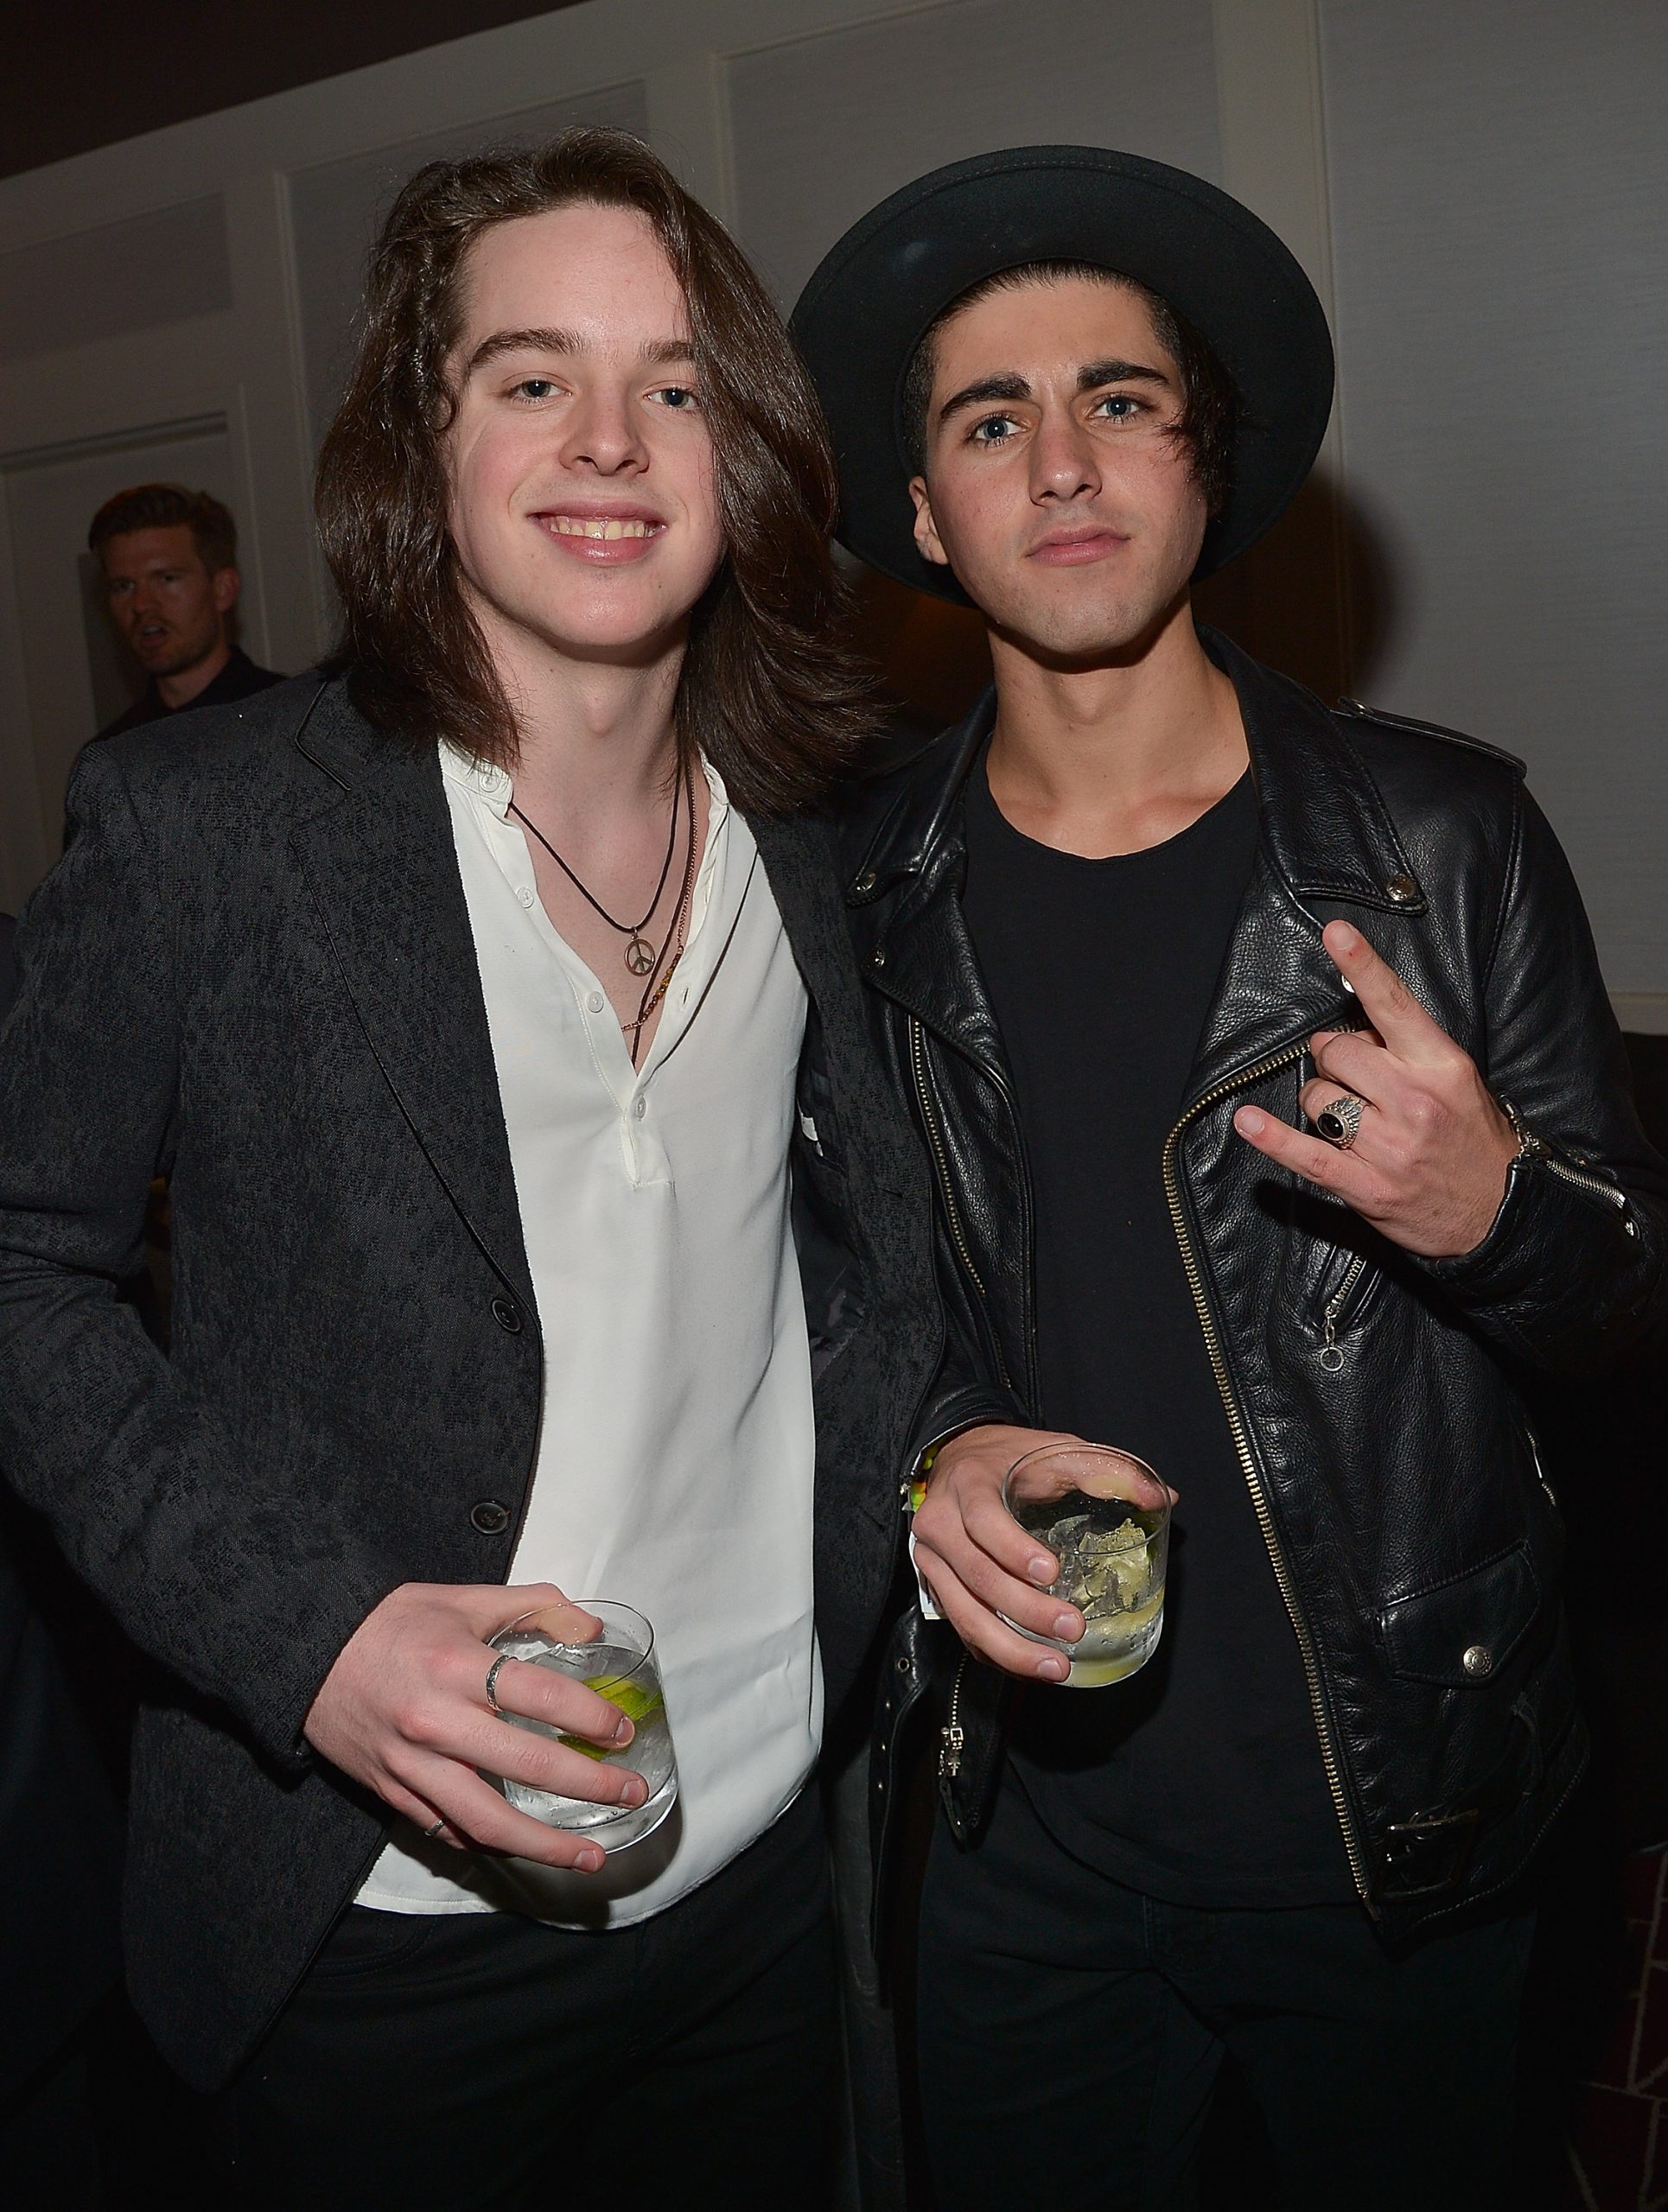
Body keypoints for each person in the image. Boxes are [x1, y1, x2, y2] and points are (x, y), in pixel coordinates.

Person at [0, 128, 943, 2210]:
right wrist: (307, 1635)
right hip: (379, 1916)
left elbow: (864, 1269)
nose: (608, 438)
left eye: (672, 383)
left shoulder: (818, 834)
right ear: (420, 449)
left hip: (760, 1863)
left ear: (746, 451)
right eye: (531, 376)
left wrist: (949, 1451)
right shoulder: (209, 829)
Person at [792, 146, 1668, 2210]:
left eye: (1120, 399)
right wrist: (935, 1443)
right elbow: (829, 1296)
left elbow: (1632, 1303)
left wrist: (1492, 1213)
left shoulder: (1436, 844)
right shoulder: (853, 886)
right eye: (989, 420)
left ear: (1204, 468)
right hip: (1017, 1845)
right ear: (922, 510)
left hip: (1396, 1842)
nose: (1061, 461)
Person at [89, 483, 281, 737]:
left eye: (166, 579)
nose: (140, 604)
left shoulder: (292, 720)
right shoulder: (113, 751)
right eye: (124, 586)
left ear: (223, 589)